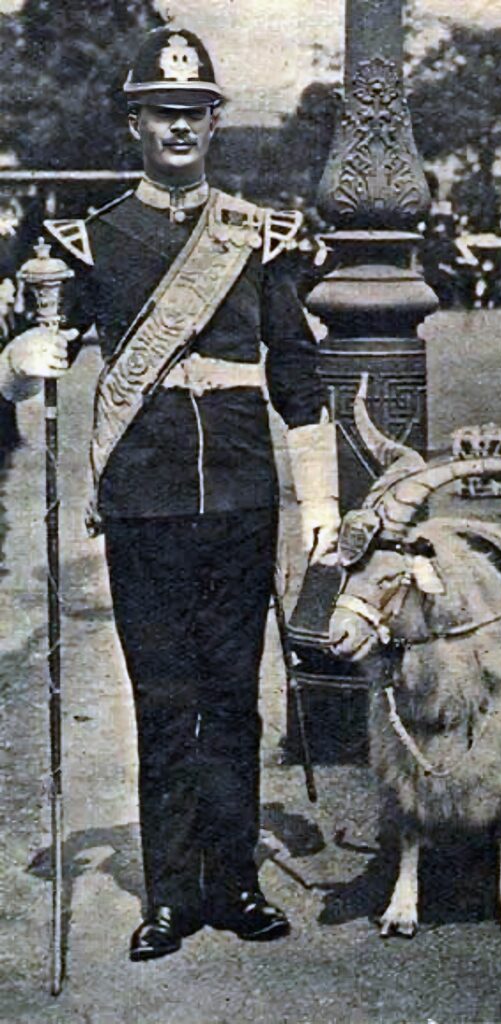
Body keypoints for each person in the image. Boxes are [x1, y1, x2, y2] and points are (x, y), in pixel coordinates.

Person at [1, 27, 339, 960]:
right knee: (162, 696)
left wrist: (320, 506)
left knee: (233, 694)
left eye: (194, 114)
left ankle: (234, 882)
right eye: (163, 114)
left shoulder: (259, 234)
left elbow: (297, 375)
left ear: (215, 121)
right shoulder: (90, 237)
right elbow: (41, 344)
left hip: (238, 495)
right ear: (134, 123)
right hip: (144, 499)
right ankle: (170, 893)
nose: (179, 129)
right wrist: (21, 365)